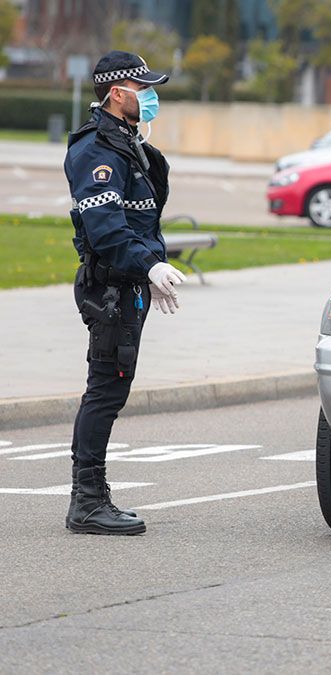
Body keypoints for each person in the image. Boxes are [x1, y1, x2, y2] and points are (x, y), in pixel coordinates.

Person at [64, 51, 187, 535]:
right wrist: (149, 265)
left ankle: (91, 497)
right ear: (117, 92)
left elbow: (140, 220)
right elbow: (107, 231)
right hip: (110, 290)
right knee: (105, 392)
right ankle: (87, 502)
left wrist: (148, 271)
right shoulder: (96, 150)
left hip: (127, 286)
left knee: (111, 390)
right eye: (144, 88)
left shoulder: (128, 145)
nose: (152, 96)